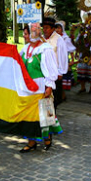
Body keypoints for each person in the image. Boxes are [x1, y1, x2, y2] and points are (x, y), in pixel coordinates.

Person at [18, 24, 62, 152]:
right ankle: (31, 142)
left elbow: (51, 69)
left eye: (26, 34)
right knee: (30, 115)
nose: (24, 36)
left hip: (40, 87)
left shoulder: (45, 49)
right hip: (27, 88)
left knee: (44, 113)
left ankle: (47, 137)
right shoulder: (25, 49)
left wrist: (49, 86)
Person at [42, 17, 66, 107]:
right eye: (43, 28)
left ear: (53, 29)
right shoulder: (41, 39)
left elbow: (63, 56)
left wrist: (60, 72)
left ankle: (52, 116)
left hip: (55, 72)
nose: (45, 30)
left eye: (47, 28)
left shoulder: (58, 39)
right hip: (43, 72)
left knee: (54, 98)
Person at [55, 21, 76, 95]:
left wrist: (72, 60)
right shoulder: (54, 38)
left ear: (62, 29)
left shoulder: (65, 38)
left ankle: (62, 94)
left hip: (64, 60)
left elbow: (71, 49)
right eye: (56, 28)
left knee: (63, 77)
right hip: (55, 60)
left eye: (59, 28)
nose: (57, 30)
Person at [74, 24, 91, 94]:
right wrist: (77, 52)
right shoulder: (80, 36)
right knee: (81, 71)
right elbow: (77, 44)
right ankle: (83, 87)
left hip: (90, 55)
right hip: (82, 55)